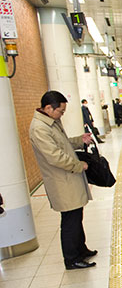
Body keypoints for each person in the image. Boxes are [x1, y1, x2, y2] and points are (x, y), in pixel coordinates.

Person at [29, 91, 98, 270]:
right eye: (60, 111)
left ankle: (81, 250)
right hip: (62, 181)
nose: (62, 114)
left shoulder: (51, 123)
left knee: (76, 216)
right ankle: (72, 259)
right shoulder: (39, 128)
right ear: (48, 108)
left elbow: (63, 144)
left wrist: (79, 141)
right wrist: (78, 165)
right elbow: (55, 156)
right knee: (70, 221)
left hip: (68, 179)